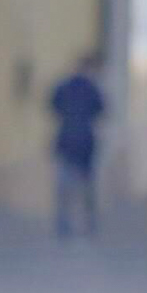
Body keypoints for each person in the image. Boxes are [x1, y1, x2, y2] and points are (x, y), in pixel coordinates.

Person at [48, 54, 106, 238]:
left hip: (66, 140)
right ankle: (88, 224)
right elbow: (102, 109)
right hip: (85, 143)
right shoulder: (91, 88)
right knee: (86, 187)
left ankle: (64, 224)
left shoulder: (64, 86)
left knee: (65, 187)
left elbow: (52, 105)